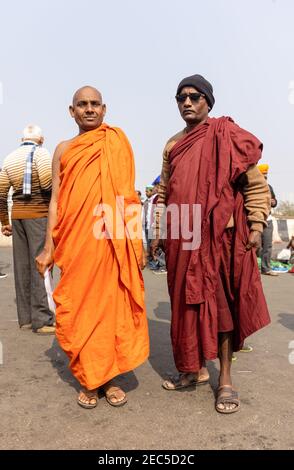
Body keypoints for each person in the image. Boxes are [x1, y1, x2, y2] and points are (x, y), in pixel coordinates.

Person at [152, 74, 271, 413]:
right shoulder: (173, 144)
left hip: (220, 239)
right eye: (181, 98)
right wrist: (159, 232)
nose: (187, 102)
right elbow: (165, 193)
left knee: (221, 311)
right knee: (185, 307)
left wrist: (256, 225)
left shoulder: (226, 135)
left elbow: (254, 185)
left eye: (194, 96)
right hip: (183, 240)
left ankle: (226, 380)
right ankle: (192, 370)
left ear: (208, 101)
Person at [36, 86, 149, 409]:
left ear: (104, 108)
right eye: (82, 105)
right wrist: (48, 247)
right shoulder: (63, 149)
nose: (89, 109)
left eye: (94, 104)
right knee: (81, 309)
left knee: (110, 310)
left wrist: (133, 246)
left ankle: (109, 378)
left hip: (111, 242)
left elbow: (126, 195)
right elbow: (56, 200)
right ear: (71, 111)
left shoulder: (115, 141)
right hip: (76, 243)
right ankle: (89, 378)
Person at [0, 125, 54, 333]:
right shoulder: (41, 153)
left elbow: (2, 192)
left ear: (21, 139)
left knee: (21, 266)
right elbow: (48, 185)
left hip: (18, 216)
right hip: (38, 215)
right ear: (41, 139)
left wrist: (5, 221)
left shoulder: (10, 158)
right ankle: (42, 320)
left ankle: (26, 319)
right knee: (42, 263)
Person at [257, 164, 278, 276]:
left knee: (267, 246)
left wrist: (274, 202)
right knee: (254, 245)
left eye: (266, 176)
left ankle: (266, 268)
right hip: (256, 219)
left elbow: (274, 201)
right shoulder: (253, 186)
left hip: (268, 220)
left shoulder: (269, 188)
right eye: (263, 175)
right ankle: (251, 268)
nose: (265, 178)